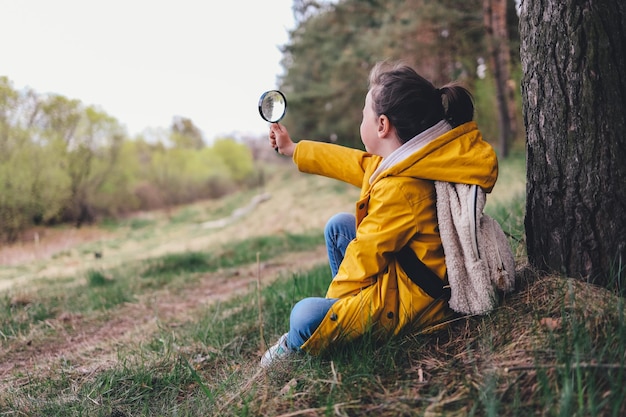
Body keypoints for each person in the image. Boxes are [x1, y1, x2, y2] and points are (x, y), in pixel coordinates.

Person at [260, 61, 499, 368]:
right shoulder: (410, 161)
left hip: (412, 304)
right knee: (339, 227)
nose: (361, 119)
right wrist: (294, 149)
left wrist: (333, 313)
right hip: (405, 274)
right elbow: (351, 162)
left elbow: (364, 256)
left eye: (364, 114)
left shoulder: (400, 188)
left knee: (305, 316)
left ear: (382, 125)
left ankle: (298, 347)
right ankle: (340, 320)